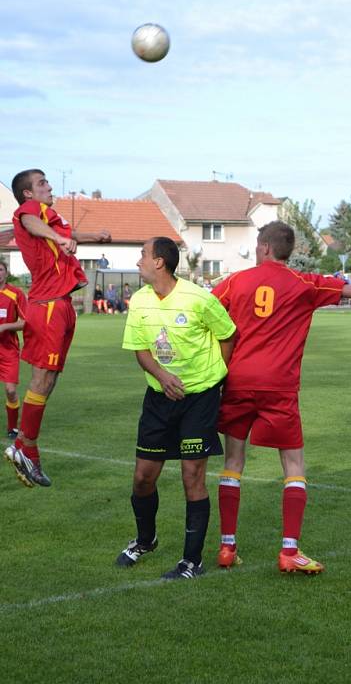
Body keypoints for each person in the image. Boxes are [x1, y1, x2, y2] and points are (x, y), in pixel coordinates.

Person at [211, 221, 351, 574]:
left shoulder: (237, 281)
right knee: (294, 466)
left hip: (236, 381)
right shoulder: (304, 283)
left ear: (265, 247)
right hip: (279, 387)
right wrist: (350, 284)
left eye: (256, 245)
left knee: (233, 461)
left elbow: (207, 309)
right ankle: (288, 551)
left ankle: (226, 547)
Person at [116, 236, 236, 580]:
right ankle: (145, 540)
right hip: (158, 398)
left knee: (192, 476)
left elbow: (228, 335)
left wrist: (215, 378)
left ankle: (191, 562)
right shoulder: (138, 301)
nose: (138, 260)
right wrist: (162, 375)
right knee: (142, 478)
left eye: (142, 254)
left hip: (199, 399)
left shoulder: (199, 298)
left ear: (159, 262)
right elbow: (140, 350)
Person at [4, 169, 111, 487]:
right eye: (42, 183)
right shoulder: (30, 212)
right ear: (28, 193)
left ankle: (24, 448)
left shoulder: (50, 217)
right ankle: (26, 449)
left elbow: (64, 236)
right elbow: (28, 222)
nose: (49, 186)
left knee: (49, 381)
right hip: (47, 305)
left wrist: (93, 237)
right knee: (42, 378)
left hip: (61, 305)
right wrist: (59, 237)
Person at [0, 260, 26, 439]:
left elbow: (24, 322)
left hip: (8, 350)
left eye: (0, 269)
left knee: (10, 390)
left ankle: (12, 427)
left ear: (6, 272)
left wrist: (4, 327)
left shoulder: (16, 294)